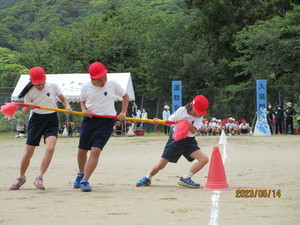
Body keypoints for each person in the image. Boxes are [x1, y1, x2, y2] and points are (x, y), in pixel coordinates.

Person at [10, 67, 72, 190]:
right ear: (32, 81)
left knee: (50, 148)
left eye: (42, 83)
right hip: (36, 121)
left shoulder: (53, 86)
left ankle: (39, 177)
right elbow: (23, 112)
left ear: (45, 79)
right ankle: (21, 177)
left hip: (51, 120)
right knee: (28, 152)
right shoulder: (29, 92)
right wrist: (28, 106)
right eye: (37, 84)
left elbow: (63, 99)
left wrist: (68, 106)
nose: (40, 86)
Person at [73, 62, 129, 192]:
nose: (103, 82)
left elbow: (125, 97)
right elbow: (82, 101)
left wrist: (123, 112)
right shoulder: (86, 87)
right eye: (99, 80)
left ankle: (85, 180)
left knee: (96, 150)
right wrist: (84, 109)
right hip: (90, 120)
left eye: (105, 78)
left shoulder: (113, 84)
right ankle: (81, 173)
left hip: (107, 121)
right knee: (82, 150)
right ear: (92, 79)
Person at [136, 95, 209, 188]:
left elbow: (194, 130)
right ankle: (147, 178)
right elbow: (169, 121)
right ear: (191, 105)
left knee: (204, 159)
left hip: (189, 142)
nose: (198, 114)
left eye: (200, 112)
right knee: (161, 164)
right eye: (197, 111)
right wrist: (159, 121)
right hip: (176, 139)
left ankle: (186, 178)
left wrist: (185, 122)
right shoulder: (181, 110)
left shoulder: (199, 117)